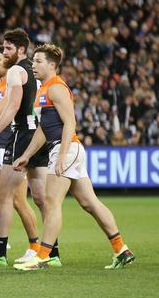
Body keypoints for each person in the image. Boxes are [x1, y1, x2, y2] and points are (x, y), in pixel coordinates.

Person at [13, 44, 134, 270]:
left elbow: (70, 122)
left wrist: (62, 155)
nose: (33, 65)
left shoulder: (57, 87)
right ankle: (121, 249)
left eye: (38, 61)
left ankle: (44, 255)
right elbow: (43, 130)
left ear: (52, 65)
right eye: (33, 61)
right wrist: (27, 155)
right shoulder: (43, 89)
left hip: (66, 148)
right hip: (65, 149)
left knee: (50, 203)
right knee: (90, 203)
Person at [0, 29, 50, 266]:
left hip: (21, 135)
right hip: (40, 134)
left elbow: (13, 106)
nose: (4, 52)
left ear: (21, 50)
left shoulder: (16, 70)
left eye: (8, 48)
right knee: (40, 198)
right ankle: (49, 251)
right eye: (3, 48)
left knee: (5, 196)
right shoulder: (36, 71)